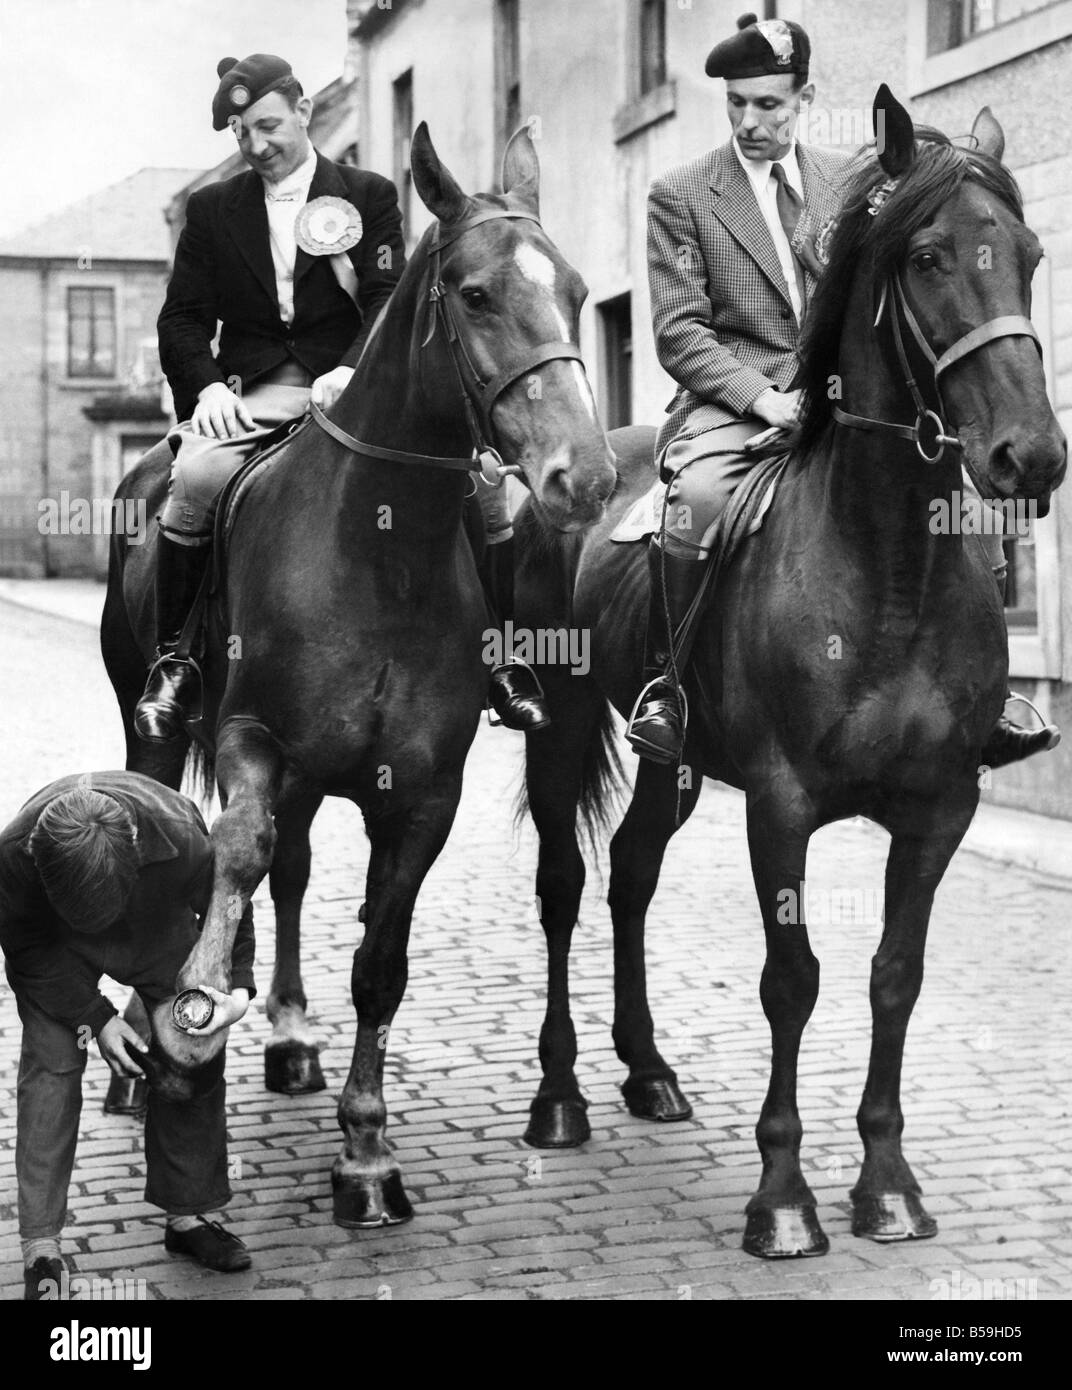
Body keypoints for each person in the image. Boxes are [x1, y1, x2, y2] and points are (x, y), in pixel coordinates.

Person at [625, 13, 1059, 768]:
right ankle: (668, 688)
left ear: (805, 98)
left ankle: (986, 700)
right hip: (734, 403)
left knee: (962, 502)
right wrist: (762, 399)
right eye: (738, 104)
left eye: (771, 104)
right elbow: (678, 332)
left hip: (844, 401)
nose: (752, 121)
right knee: (693, 499)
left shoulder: (852, 185)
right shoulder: (683, 193)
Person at [136, 52, 547, 743]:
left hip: (362, 391)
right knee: (198, 476)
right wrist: (205, 387)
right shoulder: (212, 210)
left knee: (482, 486)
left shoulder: (368, 193)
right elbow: (180, 319)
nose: (257, 144)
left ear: (302, 111)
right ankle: (175, 659)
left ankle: (501, 657)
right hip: (254, 393)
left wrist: (354, 368)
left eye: (268, 125)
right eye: (241, 134)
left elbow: (390, 294)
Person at [0, 773, 254, 1300]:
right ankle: (40, 1247)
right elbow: (25, 952)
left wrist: (240, 993)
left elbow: (228, 906)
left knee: (192, 1050)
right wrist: (96, 1018)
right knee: (53, 1067)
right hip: (55, 948)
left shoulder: (181, 838)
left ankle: (187, 1219)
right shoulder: (12, 857)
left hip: (154, 925)